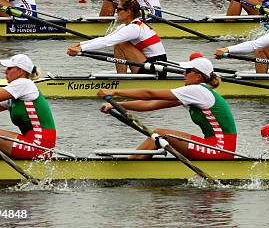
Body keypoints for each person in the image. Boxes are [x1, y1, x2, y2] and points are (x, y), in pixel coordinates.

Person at [98, 56, 237, 160]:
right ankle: (135, 163)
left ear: (198, 76)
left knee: (161, 135)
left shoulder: (197, 90)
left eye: (187, 71)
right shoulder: (195, 93)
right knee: (159, 136)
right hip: (214, 146)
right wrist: (115, 105)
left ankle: (130, 167)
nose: (184, 74)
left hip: (220, 149)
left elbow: (149, 94)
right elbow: (150, 104)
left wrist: (115, 92)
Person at [0, 54, 56, 159]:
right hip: (31, 143)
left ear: (20, 71)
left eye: (9, 68)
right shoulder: (15, 96)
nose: (5, 71)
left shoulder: (24, 84)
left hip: (38, 146)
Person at [67, 0, 167, 77]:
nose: (116, 12)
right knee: (119, 43)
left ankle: (121, 80)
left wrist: (80, 49)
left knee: (120, 43)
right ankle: (121, 76)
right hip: (149, 64)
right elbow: (105, 38)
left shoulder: (134, 28)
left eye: (119, 9)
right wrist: (80, 44)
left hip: (156, 69)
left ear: (128, 12)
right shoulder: (126, 26)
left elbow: (108, 42)